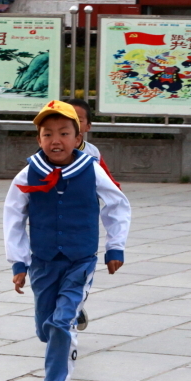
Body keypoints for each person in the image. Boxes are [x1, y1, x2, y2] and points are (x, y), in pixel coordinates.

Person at [4, 100, 131, 381]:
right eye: (47, 134)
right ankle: (68, 319)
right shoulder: (29, 171)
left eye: (63, 133)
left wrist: (114, 245)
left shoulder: (91, 168)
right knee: (45, 330)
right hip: (43, 263)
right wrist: (18, 260)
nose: (55, 140)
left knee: (60, 326)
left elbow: (117, 204)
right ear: (38, 138)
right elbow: (13, 216)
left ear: (79, 137)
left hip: (80, 261)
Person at [65, 98, 122, 330]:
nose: (73, 126)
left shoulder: (93, 153)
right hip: (51, 225)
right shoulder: (47, 152)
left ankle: (74, 307)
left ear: (87, 127)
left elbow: (110, 184)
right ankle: (67, 309)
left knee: (80, 271)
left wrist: (115, 197)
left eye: (78, 121)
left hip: (84, 223)